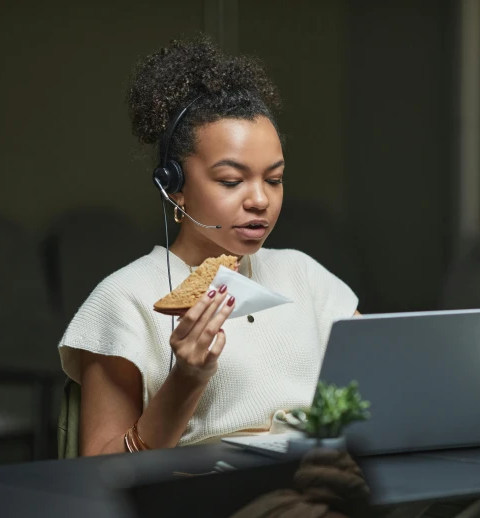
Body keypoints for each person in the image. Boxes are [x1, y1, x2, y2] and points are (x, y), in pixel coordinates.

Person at [58, 34, 359, 456]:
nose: (259, 200)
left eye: (274, 179)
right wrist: (187, 378)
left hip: (317, 484)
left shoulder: (303, 274)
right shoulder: (125, 299)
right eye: (232, 181)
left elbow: (387, 380)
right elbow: (100, 470)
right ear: (173, 187)